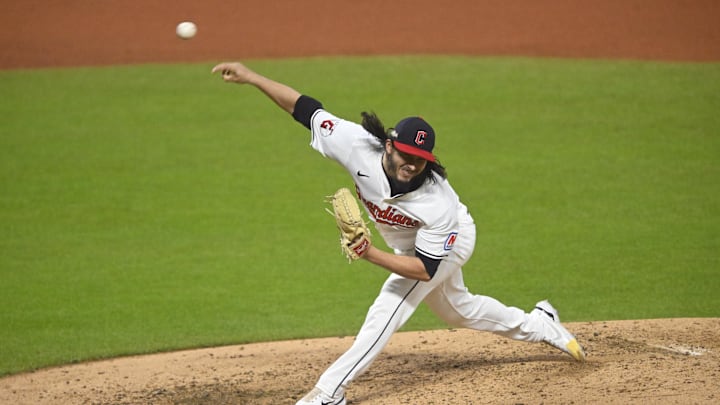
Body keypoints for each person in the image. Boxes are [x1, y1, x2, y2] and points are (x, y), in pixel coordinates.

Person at [211, 61, 586, 405]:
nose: (412, 164)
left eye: (420, 160)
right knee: (459, 311)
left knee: (388, 308)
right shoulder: (355, 144)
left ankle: (329, 392)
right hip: (408, 244)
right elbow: (304, 109)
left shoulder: (437, 201)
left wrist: (369, 253)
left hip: (448, 242)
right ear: (389, 145)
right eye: (406, 155)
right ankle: (540, 322)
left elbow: (423, 269)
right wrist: (253, 77)